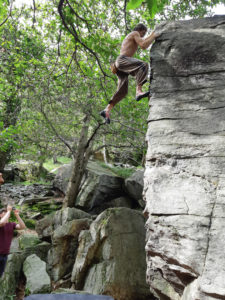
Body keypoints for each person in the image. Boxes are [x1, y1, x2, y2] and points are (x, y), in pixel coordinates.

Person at [100, 23, 160, 124]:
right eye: (143, 33)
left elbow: (143, 42)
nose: (143, 36)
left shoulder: (131, 37)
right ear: (140, 30)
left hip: (119, 65)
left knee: (122, 91)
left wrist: (151, 35)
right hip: (122, 60)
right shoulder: (135, 33)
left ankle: (107, 110)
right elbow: (144, 45)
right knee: (143, 65)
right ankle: (138, 91)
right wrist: (154, 34)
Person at [0, 176, 26, 278]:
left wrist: (17, 215)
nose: (7, 214)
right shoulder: (1, 223)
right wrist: (9, 211)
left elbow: (22, 227)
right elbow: (1, 223)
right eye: (4, 213)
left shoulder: (11, 225)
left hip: (5, 255)